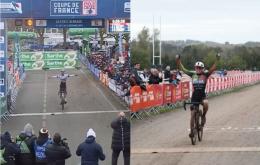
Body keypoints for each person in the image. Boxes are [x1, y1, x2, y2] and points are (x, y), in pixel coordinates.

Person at [176, 53, 220, 138]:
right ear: (195, 68)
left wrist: (217, 59)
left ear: (202, 69)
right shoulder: (192, 74)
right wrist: (178, 60)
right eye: (197, 67)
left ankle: (203, 116)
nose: (198, 69)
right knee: (192, 110)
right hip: (195, 95)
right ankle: (192, 129)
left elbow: (213, 68)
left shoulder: (206, 74)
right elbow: (183, 69)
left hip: (202, 95)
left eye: (200, 68)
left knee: (206, 103)